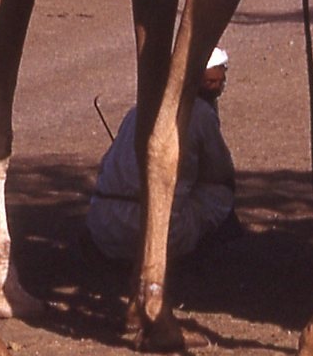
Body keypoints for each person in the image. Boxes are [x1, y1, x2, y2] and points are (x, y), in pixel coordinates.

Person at [86, 47, 237, 262]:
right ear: (194, 81)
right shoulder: (200, 113)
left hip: (103, 227)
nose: (217, 89)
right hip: (156, 231)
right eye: (211, 83)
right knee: (221, 191)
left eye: (220, 83)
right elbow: (220, 170)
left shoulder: (138, 110)